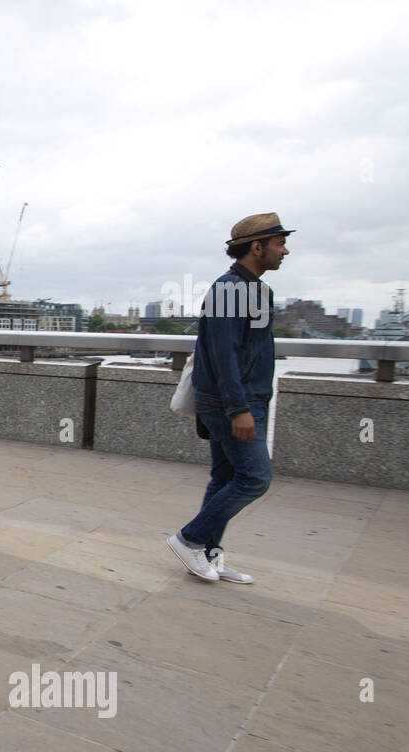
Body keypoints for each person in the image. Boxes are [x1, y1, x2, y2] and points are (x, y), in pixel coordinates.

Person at [167, 212, 291, 584]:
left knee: (224, 477)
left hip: (248, 399)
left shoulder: (259, 290)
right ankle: (188, 539)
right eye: (279, 243)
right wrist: (239, 408)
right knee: (255, 478)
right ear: (257, 247)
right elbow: (224, 355)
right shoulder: (229, 290)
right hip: (230, 403)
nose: (286, 251)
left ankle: (207, 552)